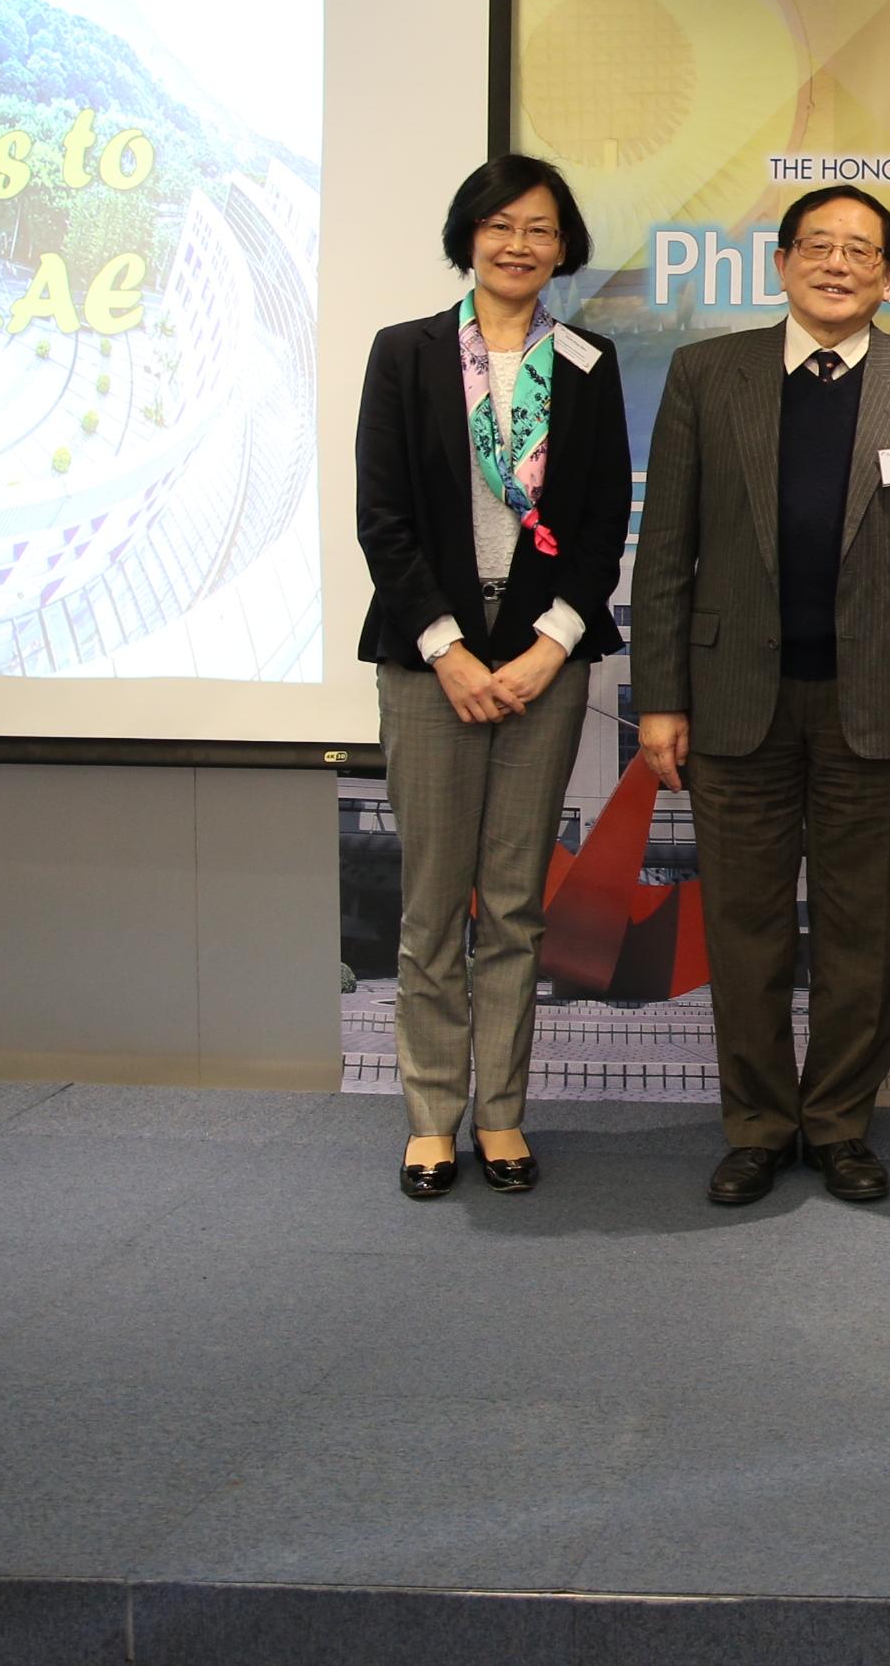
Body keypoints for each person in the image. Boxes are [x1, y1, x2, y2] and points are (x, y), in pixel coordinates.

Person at [630, 185, 890, 1209]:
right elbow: (667, 553)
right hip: (733, 696)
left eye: (860, 251)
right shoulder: (711, 372)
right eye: (818, 246)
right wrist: (661, 694)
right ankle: (755, 1125)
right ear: (783, 262)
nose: (838, 263)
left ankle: (836, 1124)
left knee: (860, 929)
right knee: (741, 928)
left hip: (875, 703)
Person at [352, 155, 630, 1201]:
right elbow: (383, 518)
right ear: (467, 232)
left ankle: (503, 1114)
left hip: (542, 666)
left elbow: (602, 524)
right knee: (432, 907)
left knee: (514, 906)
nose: (520, 243)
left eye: (542, 228)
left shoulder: (588, 362)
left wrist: (549, 644)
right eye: (500, 222)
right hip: (433, 666)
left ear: (565, 246)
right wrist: (449, 650)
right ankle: (431, 1117)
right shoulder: (406, 354)